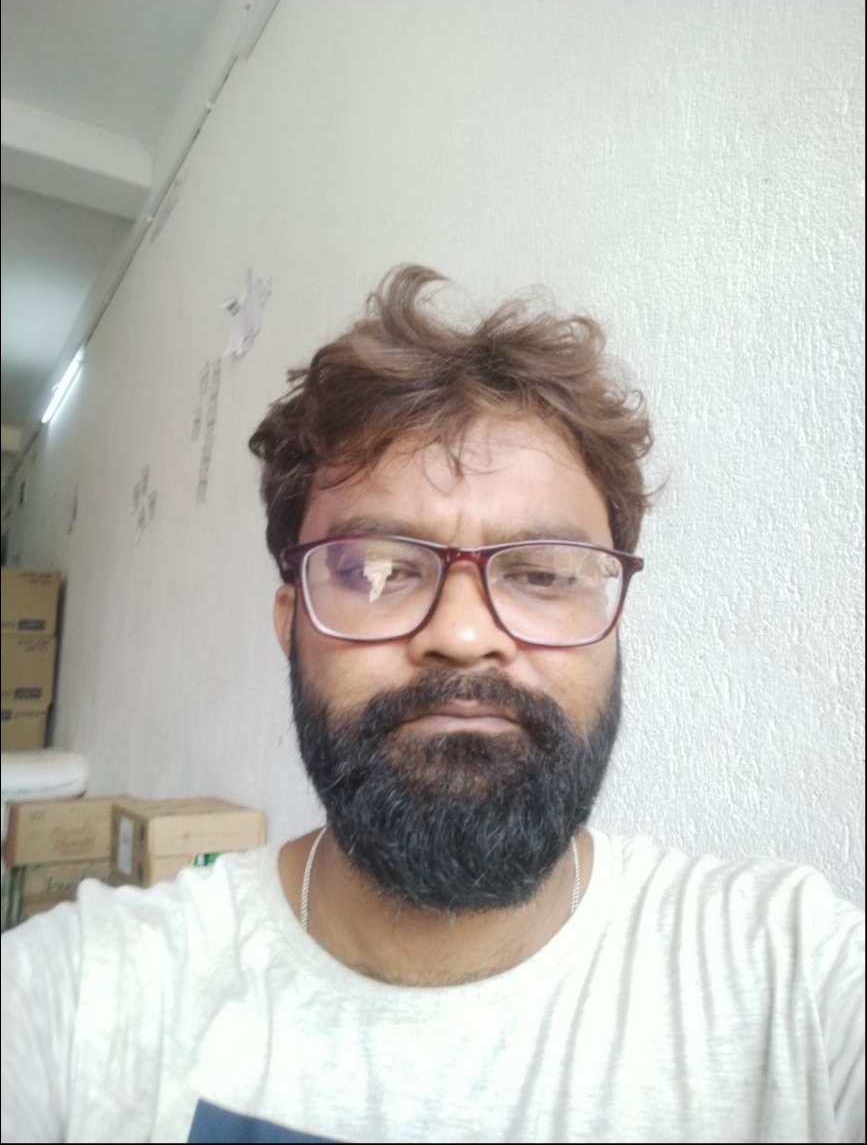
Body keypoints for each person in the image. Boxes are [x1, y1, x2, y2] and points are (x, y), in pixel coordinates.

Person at [1, 266, 863, 1145]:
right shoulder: (79, 1005)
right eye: (377, 570)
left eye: (540, 573)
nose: (461, 633)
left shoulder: (794, 981)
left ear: (611, 622)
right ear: (291, 623)